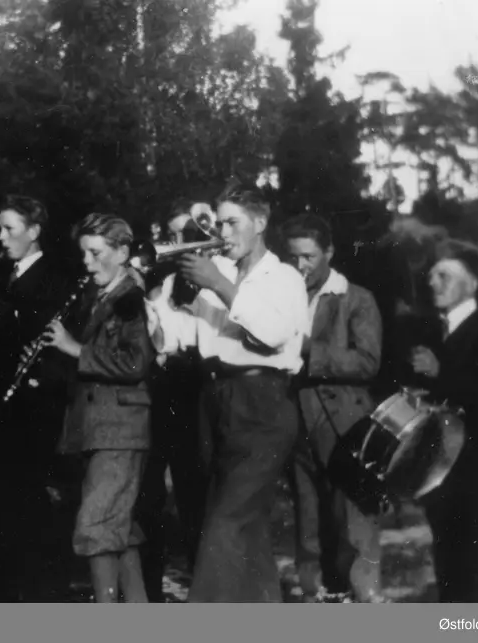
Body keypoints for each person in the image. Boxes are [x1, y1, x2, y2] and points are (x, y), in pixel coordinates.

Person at [146, 184, 309, 602]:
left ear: (260, 223)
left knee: (226, 523)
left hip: (264, 402)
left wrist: (218, 284)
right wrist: (164, 295)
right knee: (245, 529)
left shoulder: (284, 277)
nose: (223, 232)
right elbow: (177, 339)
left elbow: (274, 335)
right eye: (219, 223)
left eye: (232, 223)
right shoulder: (216, 274)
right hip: (214, 400)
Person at [44, 212, 155, 603]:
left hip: (119, 429)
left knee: (96, 526)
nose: (87, 264)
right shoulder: (107, 296)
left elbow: (135, 362)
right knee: (116, 528)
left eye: (96, 253)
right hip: (103, 428)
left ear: (123, 252)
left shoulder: (130, 298)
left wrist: (75, 348)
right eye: (84, 254)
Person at [0, 194, 74, 602]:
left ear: (34, 231)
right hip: (2, 402)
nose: (1, 237)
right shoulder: (5, 275)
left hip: (34, 404)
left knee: (22, 496)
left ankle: (31, 592)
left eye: (9, 229)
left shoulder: (55, 276)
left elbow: (31, 332)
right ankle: (1, 591)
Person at [280, 214, 384, 603]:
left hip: (346, 422)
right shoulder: (284, 298)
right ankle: (314, 593)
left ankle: (365, 595)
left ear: (329, 252)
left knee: (354, 519)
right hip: (296, 417)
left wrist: (310, 350)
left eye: (308, 257)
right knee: (308, 514)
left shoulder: (356, 298)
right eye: (292, 258)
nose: (300, 266)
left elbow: (367, 362)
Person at [408, 240, 478, 603]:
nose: (433, 283)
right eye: (432, 275)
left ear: (472, 283)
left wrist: (440, 376)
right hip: (442, 474)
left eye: (445, 276)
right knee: (450, 572)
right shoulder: (434, 330)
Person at [134, 204, 213, 603]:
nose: (174, 243)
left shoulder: (211, 280)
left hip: (191, 384)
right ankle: (149, 591)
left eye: (183, 234)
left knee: (193, 492)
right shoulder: (161, 281)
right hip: (158, 384)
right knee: (149, 492)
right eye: (171, 233)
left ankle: (203, 590)